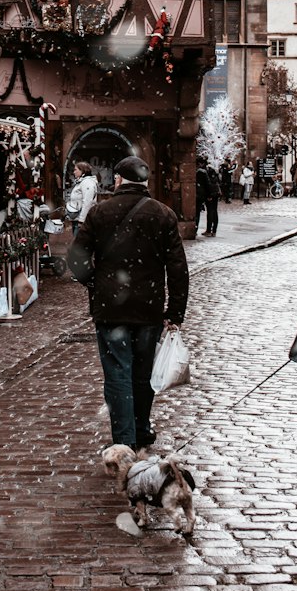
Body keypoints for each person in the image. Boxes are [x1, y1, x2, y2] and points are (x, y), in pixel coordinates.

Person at [68, 155, 188, 451]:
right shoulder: (163, 214)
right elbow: (177, 268)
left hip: (111, 307)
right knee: (142, 372)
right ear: (145, 182)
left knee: (117, 373)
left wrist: (95, 282)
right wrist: (175, 311)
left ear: (119, 180)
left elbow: (76, 257)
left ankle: (125, 438)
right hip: (148, 307)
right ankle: (141, 427)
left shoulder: (99, 213)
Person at [65, 161, 99, 225]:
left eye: (75, 170)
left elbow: (87, 202)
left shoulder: (87, 182)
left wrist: (82, 220)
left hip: (83, 220)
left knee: (80, 235)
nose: (74, 172)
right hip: (77, 218)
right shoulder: (81, 182)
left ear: (82, 171)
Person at [199, 159, 220, 238]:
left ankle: (209, 230)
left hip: (211, 193)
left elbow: (208, 184)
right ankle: (214, 230)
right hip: (215, 192)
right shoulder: (213, 170)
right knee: (214, 211)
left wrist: (209, 195)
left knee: (210, 211)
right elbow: (217, 181)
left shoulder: (205, 171)